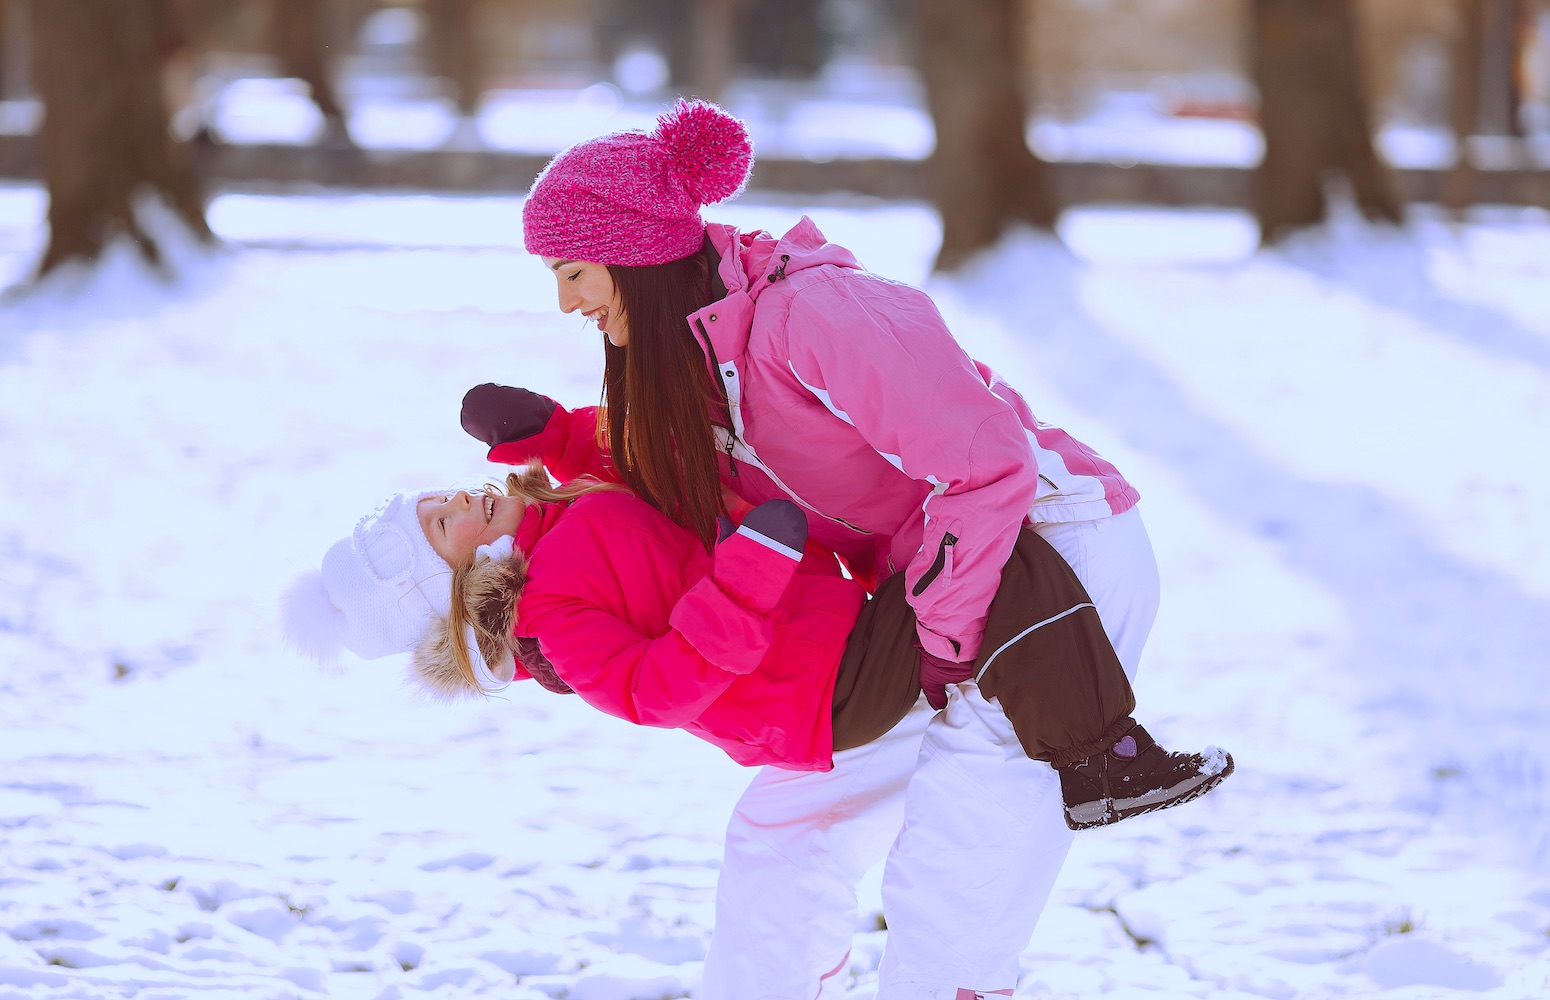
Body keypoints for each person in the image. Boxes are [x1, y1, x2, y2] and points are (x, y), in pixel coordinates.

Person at [453, 98, 1200, 999]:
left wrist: (948, 629)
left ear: (637, 257)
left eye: (574, 272)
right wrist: (560, 440)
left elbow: (986, 465)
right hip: (931, 596)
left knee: (956, 863)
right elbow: (695, 466)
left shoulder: (816, 314)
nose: (566, 301)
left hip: (1050, 556)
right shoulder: (702, 359)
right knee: (783, 827)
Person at [282, 462, 1230, 826]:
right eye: (442, 526)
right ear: (450, 588)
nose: (458, 500)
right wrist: (750, 569)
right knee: (999, 560)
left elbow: (641, 473)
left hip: (829, 631)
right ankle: (1099, 761)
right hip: (817, 688)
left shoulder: (551, 524)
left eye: (436, 498)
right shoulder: (547, 624)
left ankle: (1069, 732)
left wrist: (550, 430)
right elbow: (658, 692)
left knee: (979, 556)